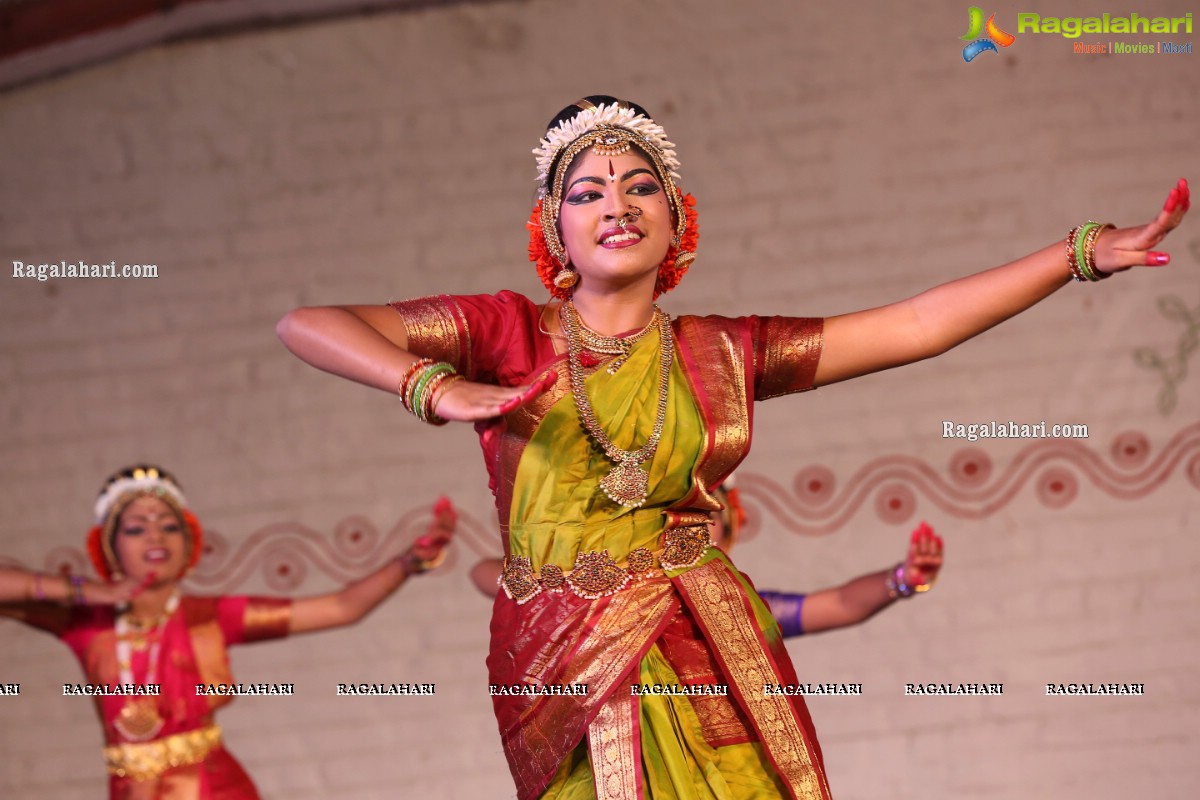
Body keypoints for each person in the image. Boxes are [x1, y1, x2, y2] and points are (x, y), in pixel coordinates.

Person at [275, 95, 1189, 799]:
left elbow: (915, 324)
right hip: (558, 661)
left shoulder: (722, 352)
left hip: (709, 643)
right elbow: (309, 322)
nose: (617, 205)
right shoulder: (504, 331)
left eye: (642, 188)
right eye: (586, 192)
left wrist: (1078, 255)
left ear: (678, 220)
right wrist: (435, 386)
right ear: (553, 228)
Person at [0, 464, 455, 800]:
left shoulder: (209, 615)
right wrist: (83, 591)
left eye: (169, 526)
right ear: (109, 547)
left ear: (188, 545)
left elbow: (341, 607)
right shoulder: (86, 623)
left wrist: (408, 563)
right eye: (136, 528)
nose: (155, 536)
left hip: (214, 788)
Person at [469, 484, 946, 638]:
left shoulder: (735, 613)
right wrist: (573, 581)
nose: (692, 527)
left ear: (727, 536)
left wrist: (904, 579)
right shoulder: (599, 590)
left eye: (707, 517)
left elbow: (840, 604)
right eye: (678, 515)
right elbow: (484, 575)